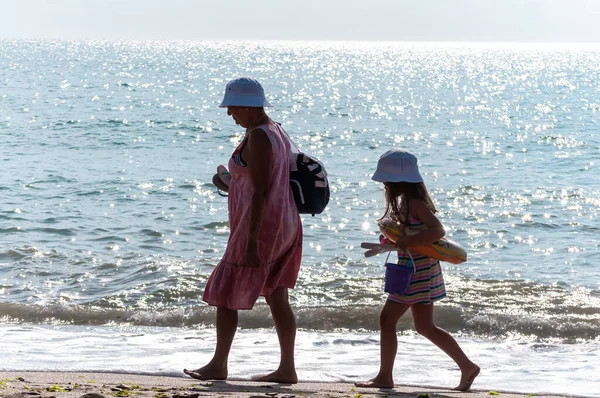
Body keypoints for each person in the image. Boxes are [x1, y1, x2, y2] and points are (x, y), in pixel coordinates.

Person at [184, 77, 303, 383]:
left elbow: (263, 189)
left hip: (262, 225)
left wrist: (251, 240)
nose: (229, 114)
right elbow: (260, 181)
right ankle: (287, 369)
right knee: (278, 296)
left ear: (248, 107)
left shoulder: (260, 137)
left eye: (233, 107)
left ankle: (218, 365)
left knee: (225, 294)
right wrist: (227, 181)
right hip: (283, 221)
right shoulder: (274, 130)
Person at [356, 149, 480, 391]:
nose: (384, 185)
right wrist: (396, 242)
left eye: (386, 181)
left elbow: (438, 231)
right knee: (425, 327)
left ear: (398, 181)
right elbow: (416, 236)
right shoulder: (410, 203)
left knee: (387, 319)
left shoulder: (415, 204)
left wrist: (406, 242)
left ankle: (385, 377)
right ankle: (467, 366)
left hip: (416, 272)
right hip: (423, 269)